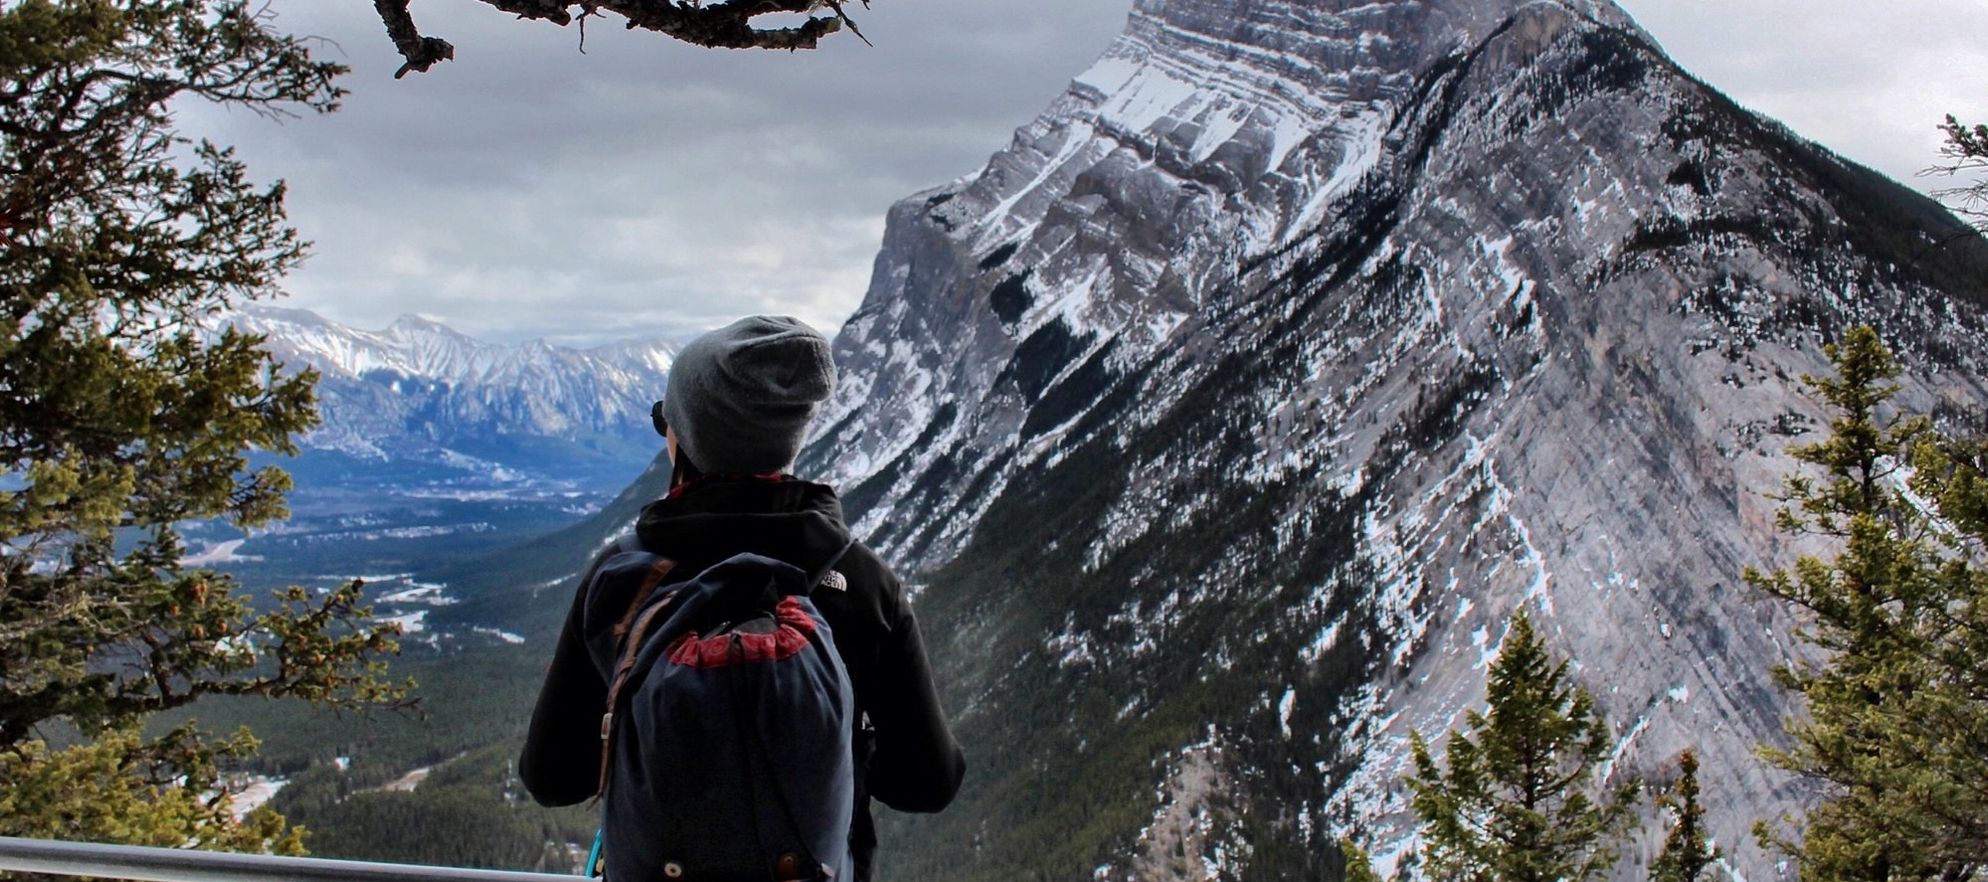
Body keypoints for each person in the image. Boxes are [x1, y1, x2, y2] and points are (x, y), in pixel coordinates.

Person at [519, 315, 965, 881]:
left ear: (687, 438)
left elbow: (553, 777)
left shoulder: (621, 580)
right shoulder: (862, 583)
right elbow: (929, 783)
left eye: (667, 420)